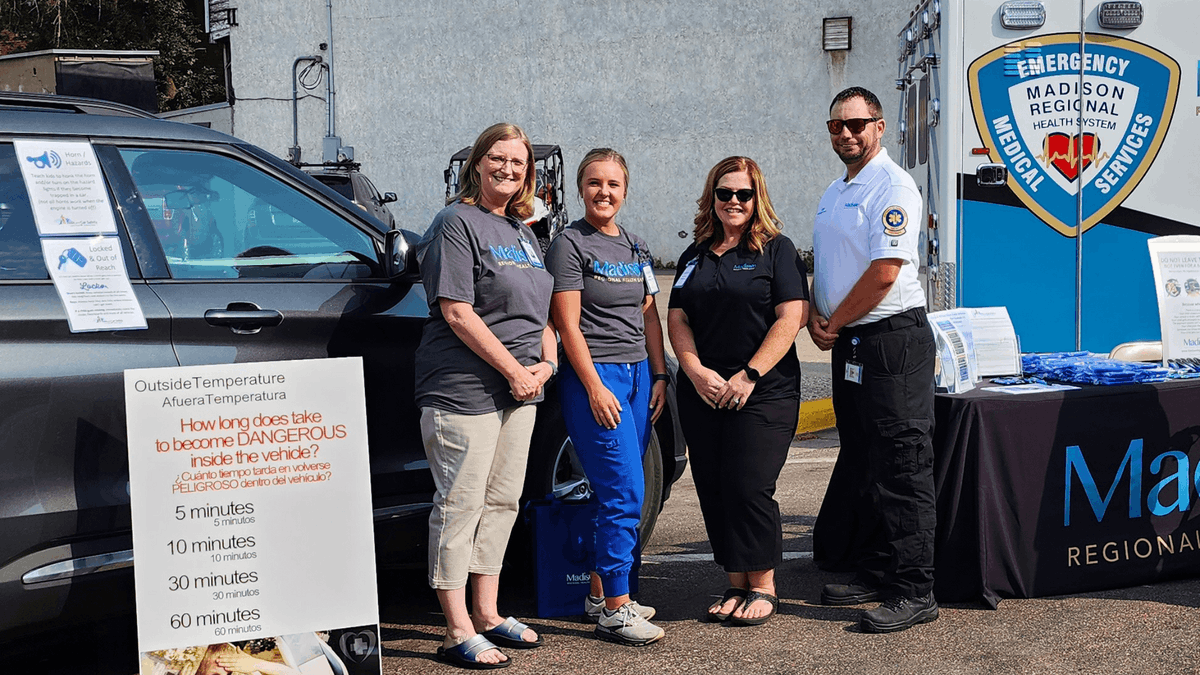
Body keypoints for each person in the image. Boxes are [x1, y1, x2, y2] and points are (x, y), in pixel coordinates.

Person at [414, 122, 557, 669]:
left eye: (518, 162)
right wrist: (515, 372)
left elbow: (538, 307)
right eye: (498, 158)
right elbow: (456, 310)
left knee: (502, 503)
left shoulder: (521, 230)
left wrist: (547, 362)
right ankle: (455, 629)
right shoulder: (457, 222)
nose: (508, 169)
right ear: (477, 163)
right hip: (463, 387)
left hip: (522, 388)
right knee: (459, 505)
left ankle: (489, 613)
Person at [808, 86, 938, 633]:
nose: (846, 133)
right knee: (865, 460)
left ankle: (915, 590)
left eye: (857, 124)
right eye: (837, 125)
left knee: (903, 465)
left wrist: (832, 323)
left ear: (879, 126)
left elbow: (886, 273)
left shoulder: (893, 186)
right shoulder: (838, 190)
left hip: (891, 342)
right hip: (854, 346)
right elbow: (835, 263)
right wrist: (820, 312)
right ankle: (879, 569)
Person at [667, 156, 809, 627]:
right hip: (704, 389)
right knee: (713, 486)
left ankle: (763, 585)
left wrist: (749, 375)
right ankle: (735, 581)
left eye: (743, 194)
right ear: (712, 197)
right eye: (724, 193)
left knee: (749, 485)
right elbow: (678, 317)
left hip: (762, 389)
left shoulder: (777, 250)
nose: (733, 202)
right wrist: (693, 369)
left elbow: (792, 317)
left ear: (757, 198)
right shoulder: (695, 254)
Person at [545, 148, 668, 646]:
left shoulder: (636, 246)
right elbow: (565, 323)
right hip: (596, 378)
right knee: (624, 494)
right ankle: (617, 609)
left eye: (613, 184)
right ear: (581, 189)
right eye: (594, 183)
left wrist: (659, 375)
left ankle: (599, 594)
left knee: (614, 492)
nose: (604, 192)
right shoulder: (569, 244)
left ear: (625, 189)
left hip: (639, 375)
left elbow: (649, 314)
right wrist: (594, 385)